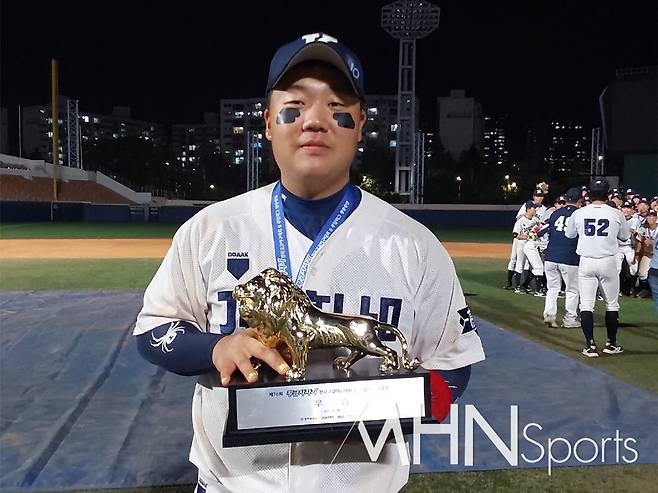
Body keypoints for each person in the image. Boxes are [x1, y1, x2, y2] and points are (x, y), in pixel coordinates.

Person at [133, 33, 485, 493]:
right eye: (295, 105)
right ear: (266, 123)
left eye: (336, 105)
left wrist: (409, 403)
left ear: (360, 124)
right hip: (231, 485)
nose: (315, 121)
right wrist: (215, 348)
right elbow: (153, 331)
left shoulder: (414, 246)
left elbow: (453, 361)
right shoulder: (211, 229)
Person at [565, 178, 631, 357]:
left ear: (589, 194)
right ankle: (611, 344)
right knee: (612, 304)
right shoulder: (616, 214)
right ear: (608, 194)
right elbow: (625, 237)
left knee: (586, 304)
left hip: (586, 261)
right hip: (608, 261)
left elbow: (569, 234)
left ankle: (590, 345)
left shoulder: (579, 213)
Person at [540, 189, 580, 328]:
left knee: (552, 288)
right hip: (569, 257)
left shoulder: (555, 213)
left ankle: (549, 315)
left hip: (551, 256)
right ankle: (570, 319)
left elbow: (545, 232)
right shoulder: (579, 214)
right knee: (572, 290)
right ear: (579, 201)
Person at [512, 201, 541, 293]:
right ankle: (517, 287)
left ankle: (525, 284)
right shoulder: (521, 221)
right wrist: (528, 237)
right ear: (528, 209)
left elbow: (539, 230)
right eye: (534, 208)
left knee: (531, 266)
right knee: (520, 264)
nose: (536, 210)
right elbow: (515, 235)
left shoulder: (536, 220)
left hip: (532, 246)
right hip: (521, 244)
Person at [634, 209, 657, 298]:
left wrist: (653, 242)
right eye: (648, 216)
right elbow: (639, 241)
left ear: (656, 217)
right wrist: (637, 254)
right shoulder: (643, 228)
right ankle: (646, 290)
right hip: (648, 254)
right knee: (642, 273)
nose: (650, 218)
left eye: (653, 216)